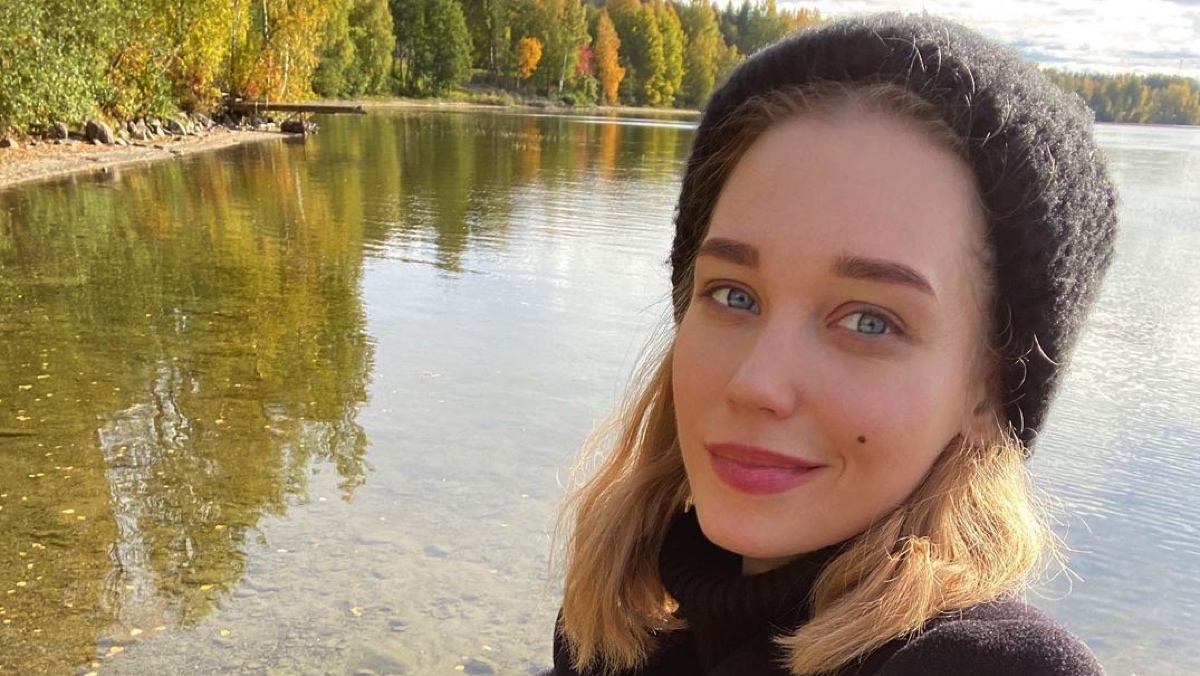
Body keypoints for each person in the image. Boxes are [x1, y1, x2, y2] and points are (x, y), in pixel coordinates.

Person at [547, 12, 1117, 676]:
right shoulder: (623, 631)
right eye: (734, 295)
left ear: (990, 390)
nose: (756, 383)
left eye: (870, 321)